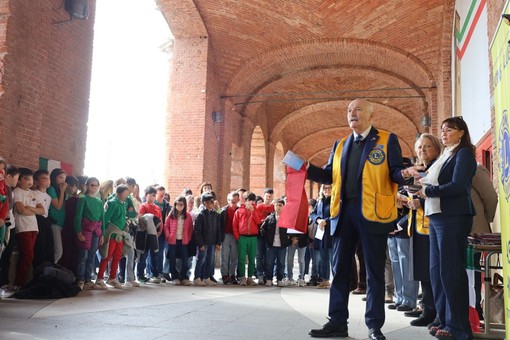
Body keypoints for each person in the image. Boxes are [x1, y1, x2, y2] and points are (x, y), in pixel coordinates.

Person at [307, 99, 412, 340]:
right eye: (348, 111)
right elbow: (327, 176)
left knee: (374, 271)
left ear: (371, 115)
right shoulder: (341, 144)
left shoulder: (387, 139)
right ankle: (336, 322)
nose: (352, 114)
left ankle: (374, 325)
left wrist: (405, 174)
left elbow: (395, 171)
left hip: (372, 213)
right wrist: (304, 167)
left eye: (357, 110)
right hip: (343, 214)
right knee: (340, 269)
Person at [417, 117, 477, 340]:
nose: (443, 133)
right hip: (435, 217)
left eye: (449, 130)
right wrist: (420, 185)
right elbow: (434, 182)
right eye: (442, 130)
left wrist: (428, 192)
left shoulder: (464, 153)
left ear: (461, 132)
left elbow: (457, 185)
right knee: (437, 272)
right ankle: (443, 319)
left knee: (451, 271)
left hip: (453, 217)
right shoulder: (445, 154)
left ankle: (459, 327)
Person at [403, 133, 442, 327]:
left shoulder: (439, 167)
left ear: (436, 148)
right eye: (419, 147)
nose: (422, 150)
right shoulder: (421, 169)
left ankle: (434, 311)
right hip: (418, 224)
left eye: (427, 146)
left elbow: (442, 192)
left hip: (434, 224)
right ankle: (427, 308)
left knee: (432, 269)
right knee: (422, 270)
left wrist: (421, 200)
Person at [9, 168, 45, 296]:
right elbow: (21, 210)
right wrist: (32, 210)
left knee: (29, 255)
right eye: (26, 178)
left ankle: (22, 282)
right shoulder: (17, 192)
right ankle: (18, 283)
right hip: (23, 227)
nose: (29, 181)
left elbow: (42, 211)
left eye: (30, 178)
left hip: (33, 228)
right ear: (19, 180)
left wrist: (30, 208)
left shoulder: (32, 193)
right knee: (27, 254)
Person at [470, 164, 498, 321]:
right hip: (459, 229)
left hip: (474, 229)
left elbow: (491, 197)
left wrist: (486, 218)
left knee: (473, 270)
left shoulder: (476, 169)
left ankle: (475, 308)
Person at [96, 184, 132, 289]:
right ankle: (100, 278)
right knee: (106, 255)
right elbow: (105, 219)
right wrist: (103, 233)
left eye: (127, 194)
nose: (126, 196)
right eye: (124, 193)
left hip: (119, 234)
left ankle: (112, 278)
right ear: (118, 194)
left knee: (117, 256)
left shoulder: (123, 204)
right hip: (112, 234)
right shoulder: (112, 204)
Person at [74, 177, 105, 290]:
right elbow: (78, 217)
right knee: (83, 255)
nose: (94, 187)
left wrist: (103, 234)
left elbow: (102, 219)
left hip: (96, 231)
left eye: (96, 185)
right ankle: (80, 278)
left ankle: (88, 278)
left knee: (92, 255)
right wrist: (78, 232)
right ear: (86, 186)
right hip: (86, 230)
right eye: (91, 185)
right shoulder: (83, 199)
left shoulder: (99, 201)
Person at [233, 191, 262, 286]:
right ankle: (242, 277)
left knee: (252, 258)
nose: (251, 202)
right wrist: (238, 238)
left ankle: (250, 277)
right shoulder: (239, 211)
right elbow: (235, 225)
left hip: (253, 237)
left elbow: (258, 222)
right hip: (243, 237)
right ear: (244, 200)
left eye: (253, 200)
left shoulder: (255, 210)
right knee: (241, 258)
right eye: (249, 200)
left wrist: (253, 211)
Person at [193, 192, 221, 286]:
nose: (212, 204)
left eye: (213, 201)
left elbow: (218, 230)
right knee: (201, 260)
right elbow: (197, 231)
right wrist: (200, 244)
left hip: (212, 242)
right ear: (205, 203)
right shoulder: (201, 215)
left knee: (210, 260)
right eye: (210, 202)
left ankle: (206, 277)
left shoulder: (215, 215)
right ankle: (197, 277)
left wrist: (218, 242)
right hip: (204, 243)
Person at [164, 196, 193, 286]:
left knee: (185, 260)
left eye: (181, 205)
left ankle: (184, 277)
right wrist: (168, 236)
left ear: (184, 205)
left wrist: (188, 238)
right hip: (173, 241)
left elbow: (190, 229)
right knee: (172, 260)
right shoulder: (171, 214)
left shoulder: (188, 216)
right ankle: (174, 277)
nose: (179, 206)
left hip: (183, 242)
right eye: (177, 204)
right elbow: (166, 226)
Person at [260, 198, 288, 287]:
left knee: (281, 263)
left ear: (283, 207)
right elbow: (262, 229)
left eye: (280, 205)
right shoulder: (269, 218)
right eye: (276, 205)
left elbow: (290, 231)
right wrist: (267, 238)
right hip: (271, 244)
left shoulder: (286, 218)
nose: (278, 207)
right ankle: (269, 279)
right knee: (269, 262)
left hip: (282, 244)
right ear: (274, 207)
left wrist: (289, 239)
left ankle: (279, 279)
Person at [48, 168, 67, 264]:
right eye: (60, 178)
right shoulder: (51, 189)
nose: (63, 181)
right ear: (54, 177)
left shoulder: (60, 191)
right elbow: (58, 206)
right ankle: (52, 270)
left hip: (62, 223)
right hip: (54, 223)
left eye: (64, 178)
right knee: (59, 251)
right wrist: (63, 191)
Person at [220, 191, 239, 285]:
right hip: (226, 235)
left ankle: (232, 275)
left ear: (238, 200)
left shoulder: (239, 210)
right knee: (225, 256)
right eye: (232, 200)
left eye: (235, 200)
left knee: (234, 257)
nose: (233, 202)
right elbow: (219, 224)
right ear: (228, 200)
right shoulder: (223, 210)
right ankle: (224, 275)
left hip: (236, 235)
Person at [256, 188, 274, 285]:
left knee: (268, 257)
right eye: (267, 196)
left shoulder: (273, 208)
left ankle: (267, 276)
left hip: (270, 235)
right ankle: (259, 275)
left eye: (270, 197)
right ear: (263, 196)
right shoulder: (259, 207)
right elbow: (257, 220)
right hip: (260, 234)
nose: (268, 198)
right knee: (259, 255)